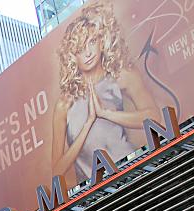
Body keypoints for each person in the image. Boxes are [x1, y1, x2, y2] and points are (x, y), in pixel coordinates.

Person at [51, 0, 158, 182]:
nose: (88, 53)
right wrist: (88, 123)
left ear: (102, 41)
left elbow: (155, 117)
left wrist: (106, 114)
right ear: (72, 57)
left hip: (133, 171)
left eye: (92, 42)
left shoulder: (121, 76)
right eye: (79, 49)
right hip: (95, 190)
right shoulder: (64, 104)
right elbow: (57, 171)